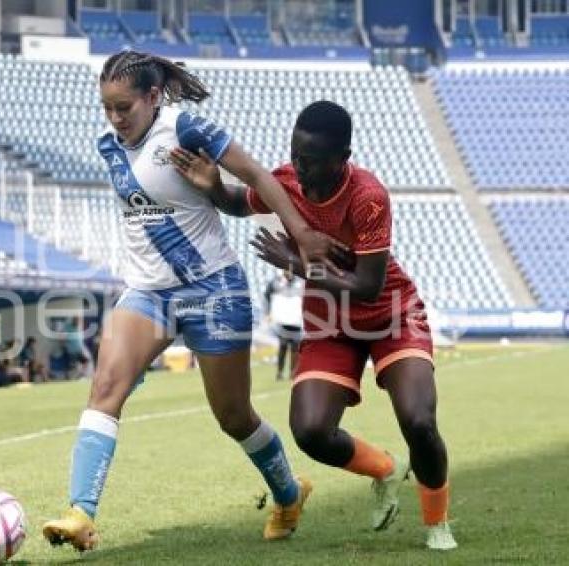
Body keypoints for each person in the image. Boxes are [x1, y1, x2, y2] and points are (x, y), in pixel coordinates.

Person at [42, 50, 346, 553]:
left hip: (213, 290)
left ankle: (290, 493)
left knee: (234, 417)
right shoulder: (109, 146)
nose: (116, 119)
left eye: (125, 108)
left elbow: (260, 178)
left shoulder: (186, 128)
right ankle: (80, 513)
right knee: (105, 387)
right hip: (147, 292)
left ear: (153, 97)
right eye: (107, 108)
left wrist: (303, 234)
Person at [172, 100, 456, 551]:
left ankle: (437, 522)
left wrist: (296, 264)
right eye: (296, 156)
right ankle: (384, 469)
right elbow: (238, 202)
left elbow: (367, 286)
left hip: (391, 315)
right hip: (330, 323)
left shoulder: (368, 196)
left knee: (419, 421)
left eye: (312, 161)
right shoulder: (286, 182)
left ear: (342, 158)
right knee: (310, 432)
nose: (299, 169)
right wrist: (213, 187)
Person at [263, 271, 305, 380]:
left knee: (295, 349)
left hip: (297, 321)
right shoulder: (276, 282)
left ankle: (293, 372)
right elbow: (267, 295)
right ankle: (280, 372)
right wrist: (267, 313)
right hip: (282, 321)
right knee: (283, 347)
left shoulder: (301, 282)